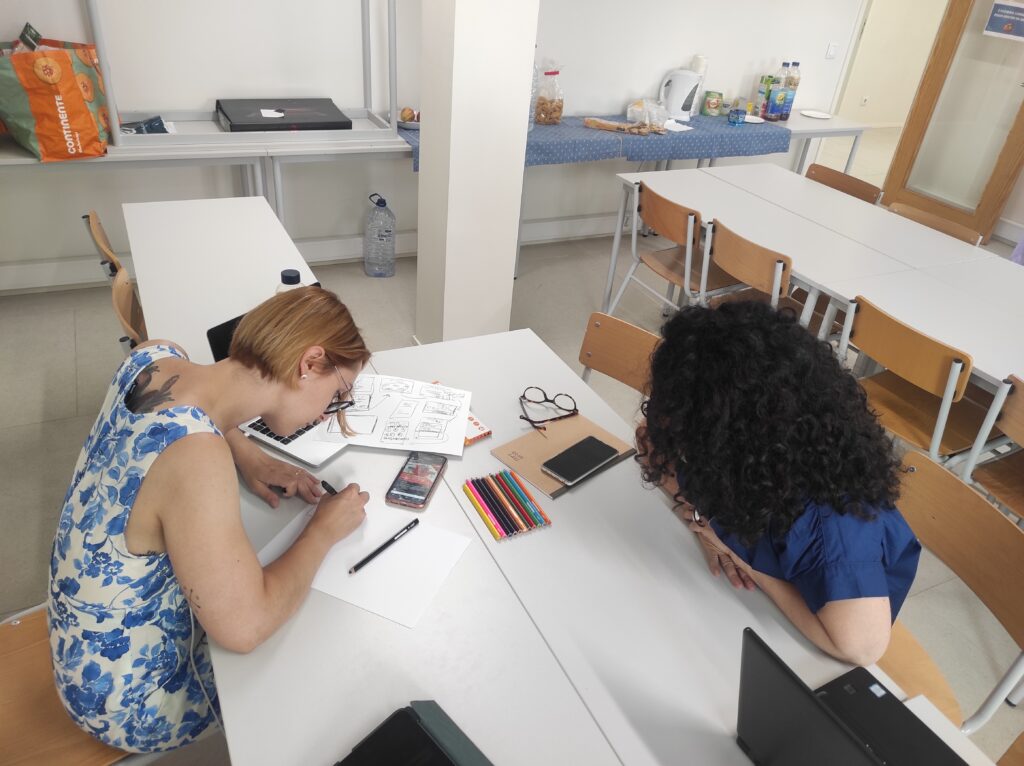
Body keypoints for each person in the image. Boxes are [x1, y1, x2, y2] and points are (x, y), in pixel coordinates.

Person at [48, 287, 371, 753]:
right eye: (337, 393)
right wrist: (322, 531)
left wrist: (250, 457)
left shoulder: (154, 356)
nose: (327, 412)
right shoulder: (197, 457)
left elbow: (199, 409)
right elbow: (245, 628)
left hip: (78, 646)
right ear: (309, 362)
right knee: (324, 651)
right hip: (127, 697)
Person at [636, 300, 920, 666]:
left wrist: (744, 560)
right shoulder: (740, 460)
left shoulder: (835, 521)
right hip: (733, 613)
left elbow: (860, 647)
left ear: (733, 432)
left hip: (821, 628)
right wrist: (699, 522)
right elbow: (650, 441)